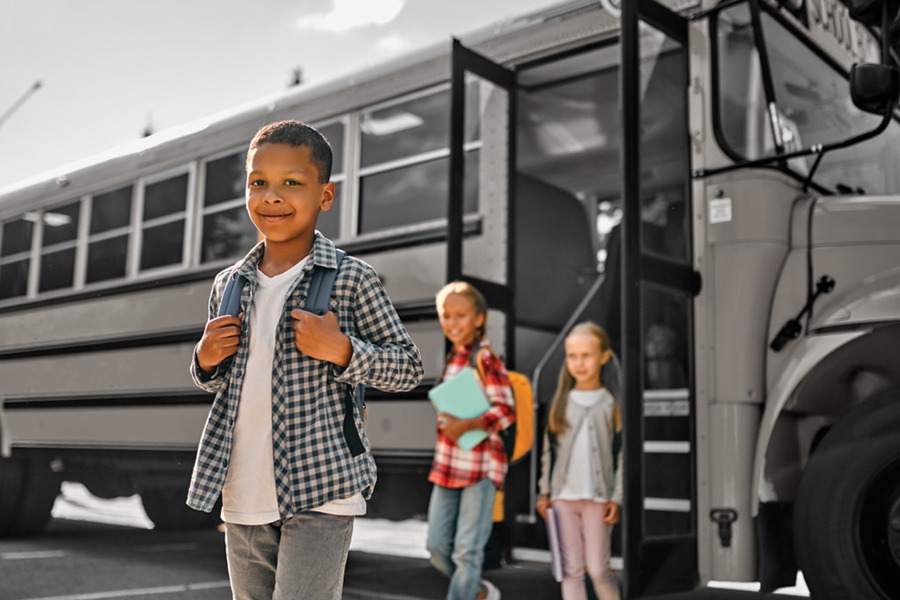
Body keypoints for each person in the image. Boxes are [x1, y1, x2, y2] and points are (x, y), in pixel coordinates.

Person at [186, 120, 424, 599]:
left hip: (323, 484)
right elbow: (221, 385)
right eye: (259, 183)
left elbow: (408, 367)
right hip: (243, 489)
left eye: (292, 182)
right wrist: (205, 360)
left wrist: (343, 350)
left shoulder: (351, 280)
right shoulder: (229, 285)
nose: (272, 196)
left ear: (325, 196)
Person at [427, 281, 515, 600]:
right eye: (446, 316)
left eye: (461, 315)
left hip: (479, 469)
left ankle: (467, 589)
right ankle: (477, 590)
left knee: (467, 552)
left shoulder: (485, 358)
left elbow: (506, 411)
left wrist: (468, 425)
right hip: (448, 466)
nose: (452, 323)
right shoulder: (454, 358)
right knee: (436, 547)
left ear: (480, 318)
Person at [537, 321, 623, 600]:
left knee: (599, 570)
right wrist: (544, 491)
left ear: (603, 357)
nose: (579, 363)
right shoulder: (561, 401)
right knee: (571, 570)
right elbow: (549, 452)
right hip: (563, 498)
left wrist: (617, 497)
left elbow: (621, 453)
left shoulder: (611, 403)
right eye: (572, 356)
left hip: (599, 499)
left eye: (586, 355)